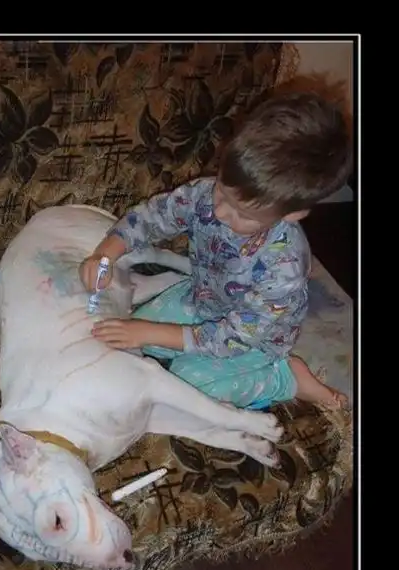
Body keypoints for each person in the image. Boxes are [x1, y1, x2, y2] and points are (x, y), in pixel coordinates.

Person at [79, 90, 352, 410]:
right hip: (202, 299)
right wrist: (105, 254)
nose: (220, 212)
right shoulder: (206, 193)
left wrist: (149, 333)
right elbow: (153, 217)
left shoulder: (284, 268)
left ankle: (285, 377)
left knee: (185, 386)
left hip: (253, 341)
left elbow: (232, 338)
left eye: (243, 214)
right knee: (123, 331)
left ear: (292, 214)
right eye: (222, 191)